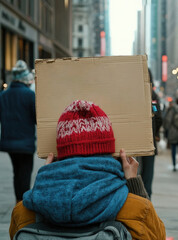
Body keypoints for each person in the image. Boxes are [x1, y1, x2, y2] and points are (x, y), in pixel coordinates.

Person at [9, 100, 166, 240]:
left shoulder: (23, 212)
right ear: (110, 153)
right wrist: (134, 185)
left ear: (58, 156)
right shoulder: (136, 209)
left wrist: (45, 180)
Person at [0, 60, 36, 203]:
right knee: (25, 173)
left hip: (9, 143)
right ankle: (23, 204)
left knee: (17, 172)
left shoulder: (3, 96)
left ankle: (18, 201)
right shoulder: (29, 95)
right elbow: (36, 119)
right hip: (26, 143)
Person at [139, 69, 162, 199]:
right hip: (149, 142)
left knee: (131, 176)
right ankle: (146, 205)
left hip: (132, 143)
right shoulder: (153, 95)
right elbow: (159, 117)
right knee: (147, 178)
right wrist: (155, 132)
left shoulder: (130, 94)